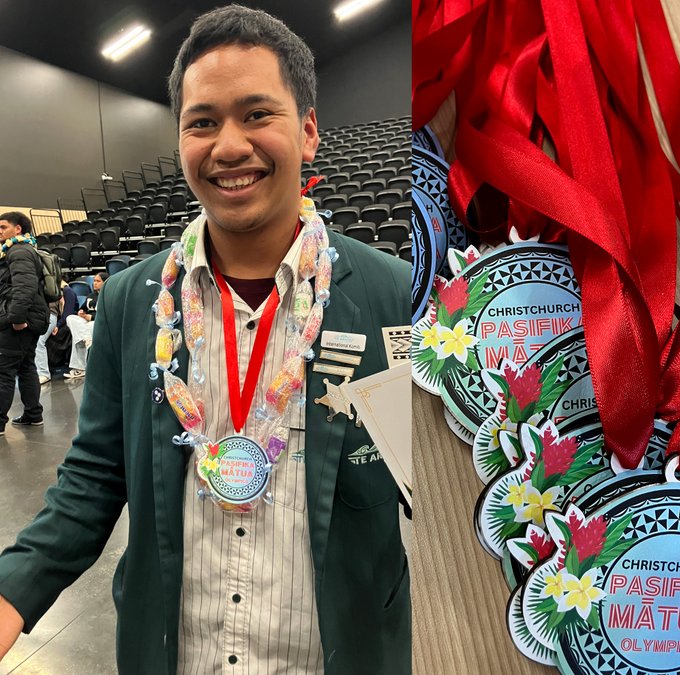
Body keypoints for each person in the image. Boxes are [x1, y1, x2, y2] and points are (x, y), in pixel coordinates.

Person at [0, 6, 411, 674]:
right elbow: (95, 476)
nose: (227, 145)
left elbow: (444, 491)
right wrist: (11, 592)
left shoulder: (397, 295)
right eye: (202, 122)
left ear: (308, 132)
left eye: (257, 114)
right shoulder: (133, 302)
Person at [0, 212, 49, 433]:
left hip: (20, 321)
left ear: (18, 229)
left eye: (3, 227)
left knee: (4, 371)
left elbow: (24, 287)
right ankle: (33, 414)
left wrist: (17, 319)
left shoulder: (18, 251)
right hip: (33, 318)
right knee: (26, 367)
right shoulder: (24, 249)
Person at [62, 271, 104, 380]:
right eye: (94, 281)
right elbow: (83, 308)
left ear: (105, 283)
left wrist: (91, 317)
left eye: (98, 281)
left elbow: (109, 313)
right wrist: (81, 312)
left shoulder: (108, 296)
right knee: (70, 318)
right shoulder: (91, 295)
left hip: (98, 322)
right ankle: (86, 339)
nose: (95, 283)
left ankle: (79, 368)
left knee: (86, 329)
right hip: (86, 322)